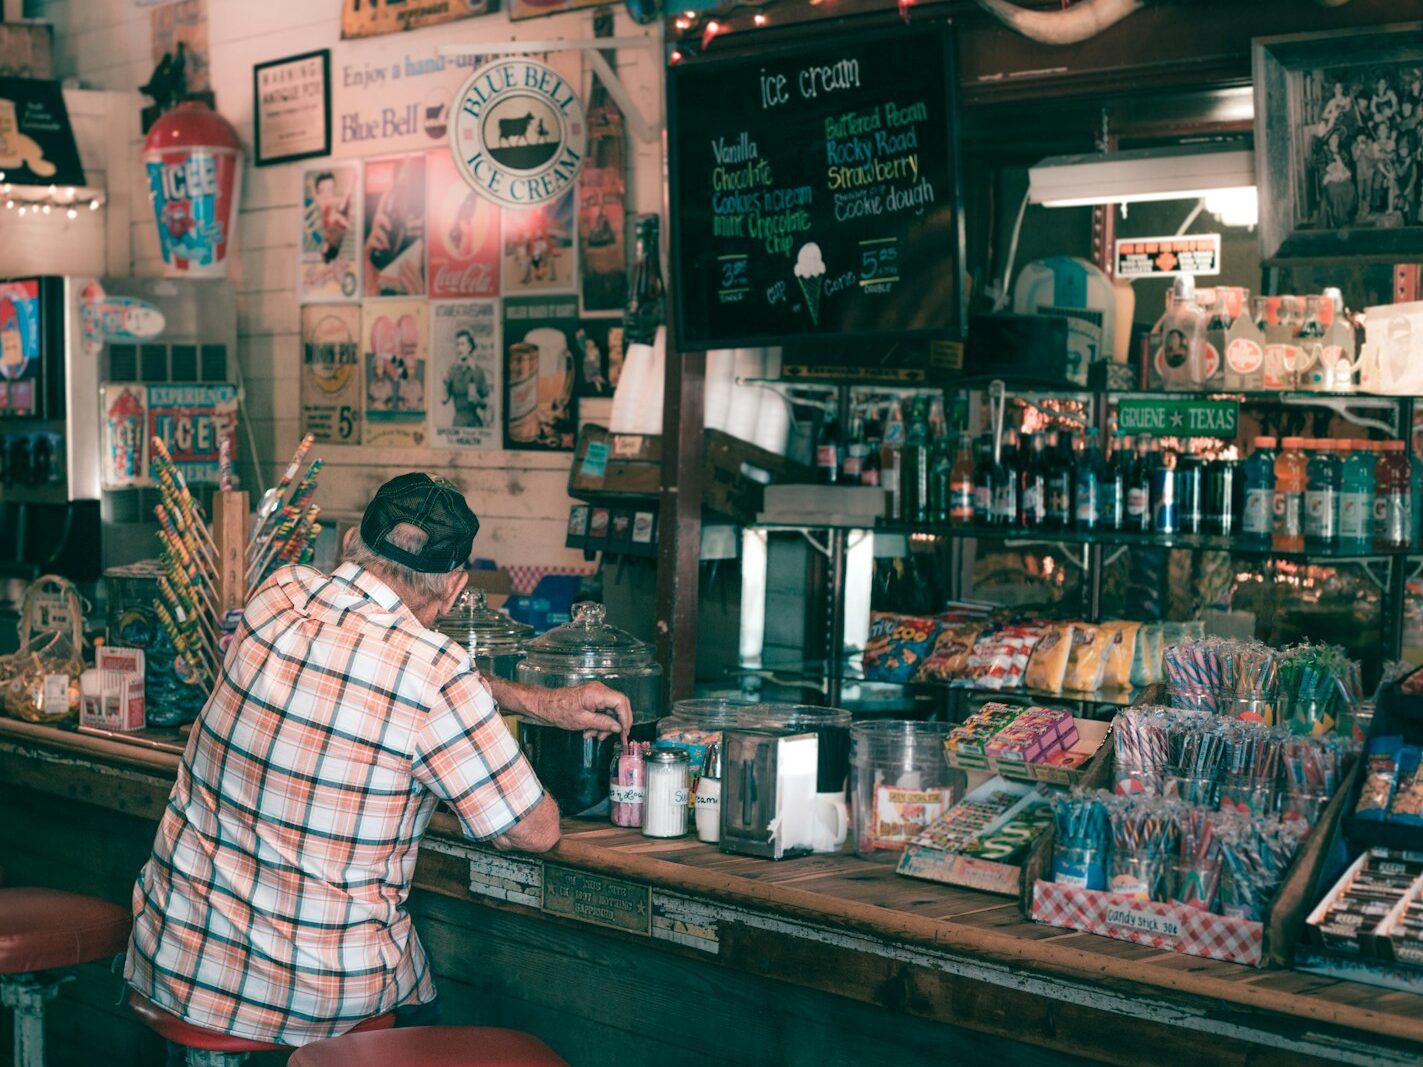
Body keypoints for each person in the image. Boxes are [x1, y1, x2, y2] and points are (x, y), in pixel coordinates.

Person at [125, 474, 632, 1050]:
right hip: (315, 999)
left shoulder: (276, 595)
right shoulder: (434, 672)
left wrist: (536, 702)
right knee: (428, 1007)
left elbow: (375, 676)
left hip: (173, 958)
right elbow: (533, 831)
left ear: (349, 544)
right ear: (455, 586)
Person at [442, 328, 490, 427]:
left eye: (462, 344)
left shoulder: (478, 371)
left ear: (470, 347)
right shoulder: (452, 371)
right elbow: (444, 400)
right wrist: (445, 384)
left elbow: (485, 404)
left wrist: (478, 400)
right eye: (458, 345)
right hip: (458, 422)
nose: (459, 348)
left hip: (475, 423)